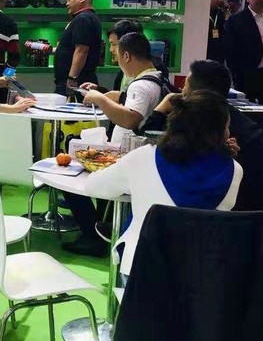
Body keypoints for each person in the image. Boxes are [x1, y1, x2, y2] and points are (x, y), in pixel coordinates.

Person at [85, 90, 243, 280]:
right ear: (217, 133)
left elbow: (93, 186)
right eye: (227, 127)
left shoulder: (143, 157)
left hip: (142, 270)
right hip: (202, 277)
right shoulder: (235, 171)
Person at [141, 59, 263, 229]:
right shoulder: (234, 119)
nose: (181, 90)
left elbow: (149, 139)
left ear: (196, 94)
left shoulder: (202, 125)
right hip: (262, 218)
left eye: (185, 86)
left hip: (239, 224)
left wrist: (162, 108)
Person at [61, 33, 168, 257]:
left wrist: (100, 100)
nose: (114, 55)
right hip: (132, 157)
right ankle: (100, 229)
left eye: (115, 51)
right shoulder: (155, 78)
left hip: (127, 159)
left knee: (70, 180)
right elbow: (131, 102)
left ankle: (93, 236)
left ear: (126, 55)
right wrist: (107, 95)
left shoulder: (141, 86)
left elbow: (130, 118)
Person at [53, 0, 102, 96]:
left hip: (77, 82)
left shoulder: (83, 19)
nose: (67, 3)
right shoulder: (88, 18)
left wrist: (72, 78)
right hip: (79, 80)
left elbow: (81, 50)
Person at [207, 0, 228, 64]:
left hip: (218, 50)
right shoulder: (204, 12)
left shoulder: (221, 12)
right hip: (206, 48)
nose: (220, 0)